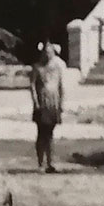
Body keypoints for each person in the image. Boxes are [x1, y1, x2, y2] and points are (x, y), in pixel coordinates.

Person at [30, 40, 66, 173]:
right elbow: (33, 86)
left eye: (50, 52)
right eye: (46, 52)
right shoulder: (37, 67)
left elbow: (61, 86)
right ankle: (40, 163)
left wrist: (61, 103)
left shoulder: (57, 67)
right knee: (41, 133)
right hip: (41, 102)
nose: (48, 55)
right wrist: (36, 102)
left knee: (50, 134)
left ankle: (50, 163)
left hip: (53, 102)